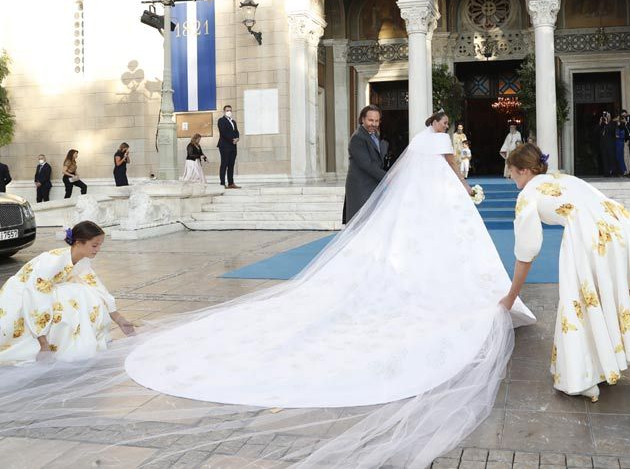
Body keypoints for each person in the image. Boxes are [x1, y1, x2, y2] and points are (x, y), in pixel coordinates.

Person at [123, 111, 535, 465]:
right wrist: (465, 186)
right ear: (439, 124)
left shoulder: (416, 140)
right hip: (432, 195)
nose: (444, 125)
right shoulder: (429, 142)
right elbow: (449, 168)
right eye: (443, 121)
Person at [499, 143, 630, 402]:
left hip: (591, 235)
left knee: (579, 299)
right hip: (621, 225)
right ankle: (605, 365)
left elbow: (527, 250)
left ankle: (582, 377)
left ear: (524, 171)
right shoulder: (561, 177)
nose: (509, 176)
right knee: (603, 295)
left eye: (511, 171)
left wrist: (511, 296)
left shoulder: (527, 194)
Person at [0, 221, 135, 363]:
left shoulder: (82, 261)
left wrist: (119, 319)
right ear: (78, 242)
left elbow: (97, 287)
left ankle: (68, 343)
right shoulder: (53, 261)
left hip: (41, 293)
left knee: (85, 292)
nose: (98, 249)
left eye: (100, 245)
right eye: (94, 245)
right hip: (21, 297)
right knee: (75, 294)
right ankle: (47, 342)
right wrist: (43, 342)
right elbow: (34, 294)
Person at [343, 104, 387, 223]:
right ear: (362, 119)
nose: (374, 124)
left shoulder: (374, 135)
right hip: (361, 187)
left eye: (377, 121)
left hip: (372, 185)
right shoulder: (358, 138)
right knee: (359, 225)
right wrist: (388, 177)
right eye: (370, 120)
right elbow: (366, 165)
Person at [217, 105, 240, 189]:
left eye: (230, 110)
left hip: (233, 146)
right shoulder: (221, 120)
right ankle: (222, 183)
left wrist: (237, 138)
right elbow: (223, 132)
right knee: (224, 164)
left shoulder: (233, 122)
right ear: (224, 111)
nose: (229, 112)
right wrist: (232, 140)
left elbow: (236, 131)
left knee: (231, 165)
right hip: (224, 145)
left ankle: (231, 183)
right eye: (227, 110)